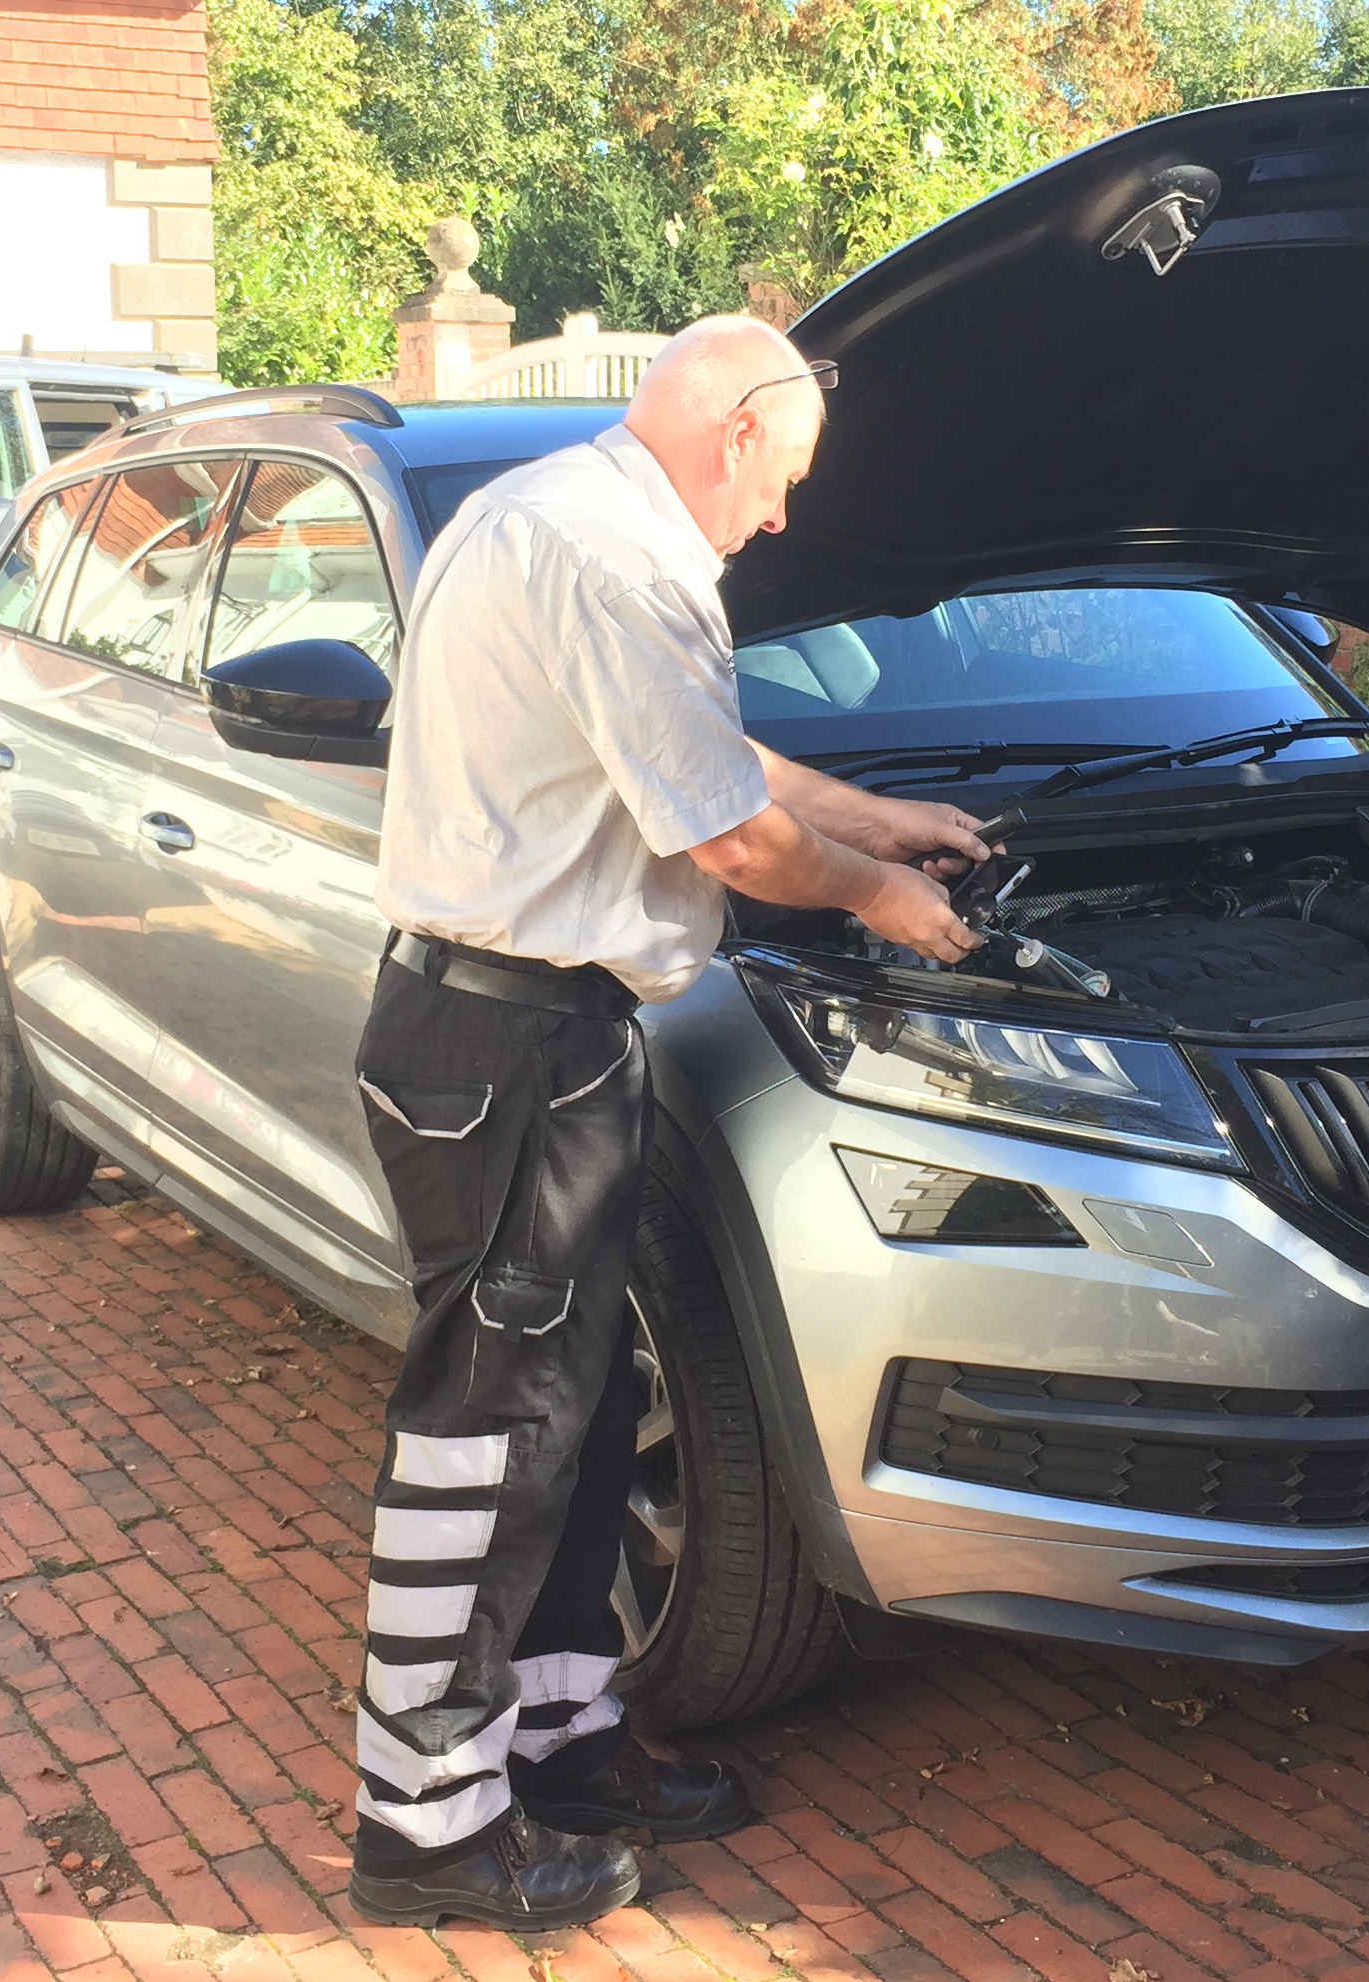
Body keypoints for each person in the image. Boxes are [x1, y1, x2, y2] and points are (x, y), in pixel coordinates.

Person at [345, 316, 994, 1929]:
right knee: (487, 1438)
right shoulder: (613, 561)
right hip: (503, 1042)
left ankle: (563, 1744)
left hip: (537, 1038)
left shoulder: (557, 514)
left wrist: (868, 809)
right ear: (735, 432)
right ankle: (421, 1824)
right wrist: (877, 891)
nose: (779, 521)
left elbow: (698, 751)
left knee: (573, 1410)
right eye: (781, 482)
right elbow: (726, 835)